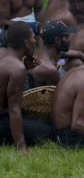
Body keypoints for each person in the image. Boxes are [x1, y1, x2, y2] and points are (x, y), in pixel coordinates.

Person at [0, 21, 53, 155]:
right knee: (48, 131)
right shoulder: (16, 68)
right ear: (26, 42)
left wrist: (26, 68)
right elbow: (14, 110)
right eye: (32, 38)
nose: (35, 41)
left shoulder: (2, 53)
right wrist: (22, 147)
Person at [29, 21, 84, 88]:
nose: (69, 39)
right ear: (57, 40)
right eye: (66, 37)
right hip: (46, 95)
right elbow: (57, 96)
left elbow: (79, 54)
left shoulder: (53, 51)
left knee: (77, 63)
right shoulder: (49, 69)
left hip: (53, 83)